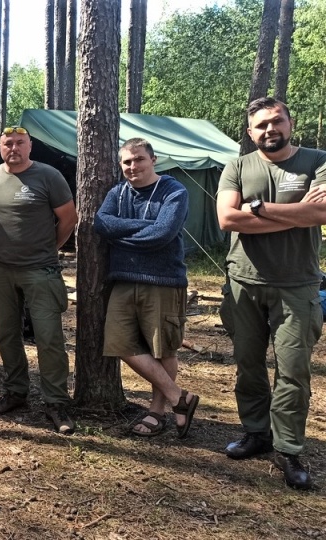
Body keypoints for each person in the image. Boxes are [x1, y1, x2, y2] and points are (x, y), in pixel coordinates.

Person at [216, 97, 326, 490]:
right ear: (250, 133)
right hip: (244, 282)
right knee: (248, 364)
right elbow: (228, 218)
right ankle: (257, 433)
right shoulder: (238, 165)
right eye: (261, 125)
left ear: (290, 123)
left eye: (276, 121)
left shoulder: (317, 160)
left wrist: (259, 210)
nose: (269, 130)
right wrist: (295, 213)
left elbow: (322, 213)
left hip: (297, 285)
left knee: (293, 371)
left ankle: (290, 449)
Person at [94, 138, 198, 438]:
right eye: (126, 161)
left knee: (162, 347)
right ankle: (181, 398)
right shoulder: (118, 192)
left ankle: (157, 411)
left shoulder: (173, 191)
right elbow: (102, 224)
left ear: (153, 159)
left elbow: (163, 234)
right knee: (119, 344)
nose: (132, 166)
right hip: (124, 280)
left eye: (139, 159)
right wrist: (143, 229)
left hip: (163, 281)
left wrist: (121, 234)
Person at [0, 126, 77, 434]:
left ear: (30, 146)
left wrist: (49, 249)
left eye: (20, 143)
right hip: (0, 271)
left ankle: (56, 402)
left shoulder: (49, 176)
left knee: (49, 338)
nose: (14, 148)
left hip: (41, 271)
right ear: (0, 146)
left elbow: (68, 218)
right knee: (6, 335)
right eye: (8, 143)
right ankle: (16, 391)